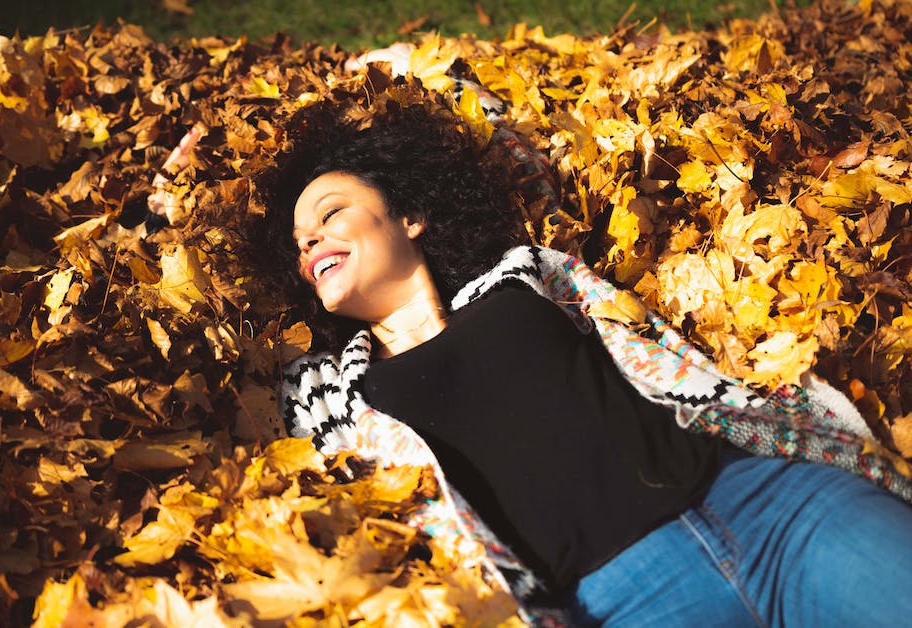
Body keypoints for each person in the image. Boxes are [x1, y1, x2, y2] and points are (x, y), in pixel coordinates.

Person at [250, 100, 912, 626]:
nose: (310, 240)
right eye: (301, 241)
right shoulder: (326, 390)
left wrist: (411, 76)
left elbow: (515, 147)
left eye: (331, 214)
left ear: (412, 215)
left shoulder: (522, 272)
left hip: (772, 509)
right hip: (620, 602)